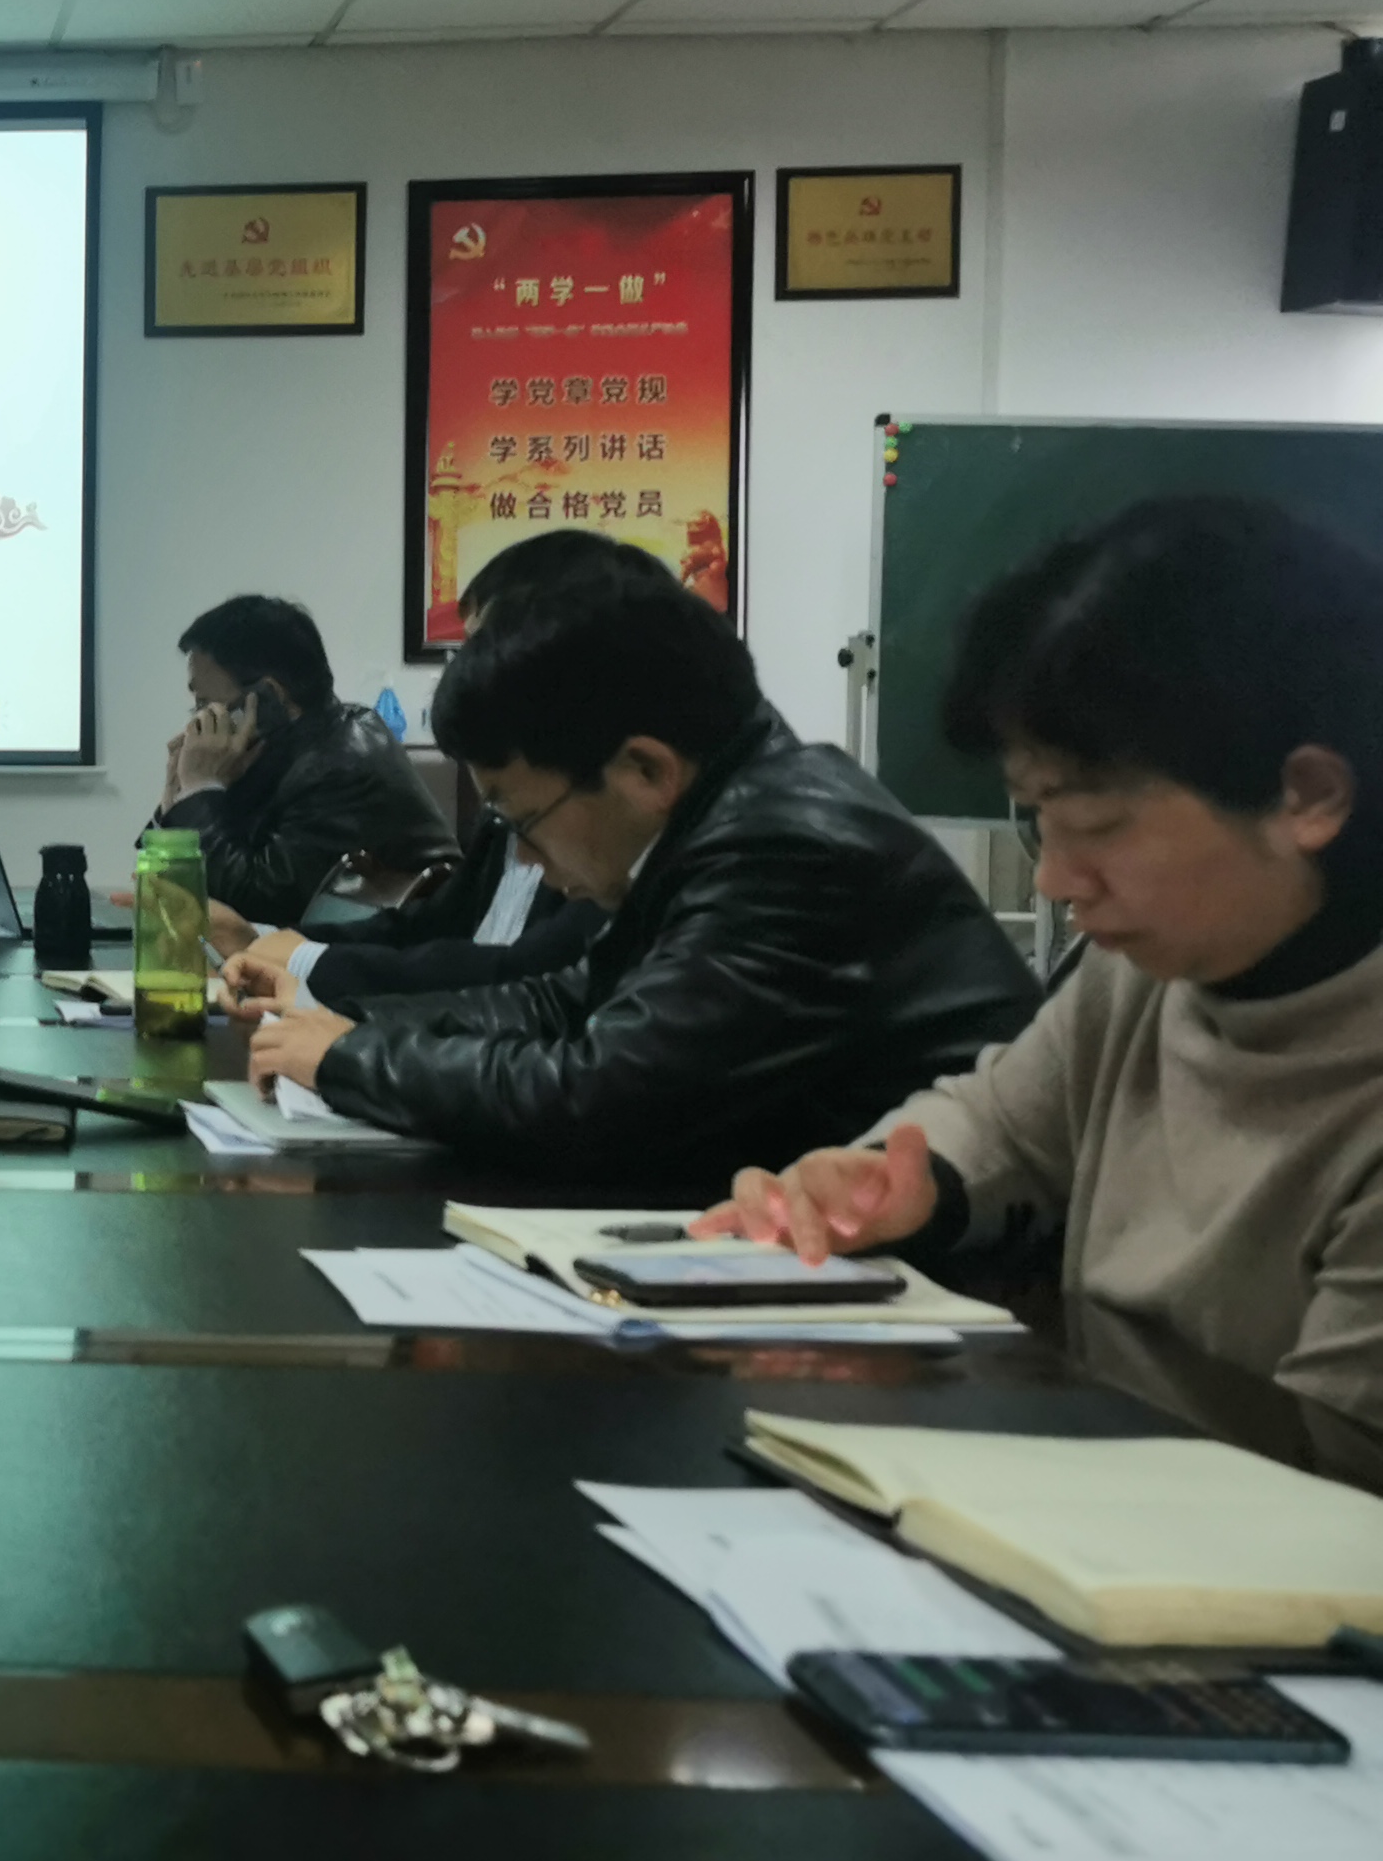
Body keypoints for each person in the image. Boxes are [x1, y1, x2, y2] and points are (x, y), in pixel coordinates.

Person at [702, 498, 1383, 1427]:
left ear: (1307, 796)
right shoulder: (1149, 972)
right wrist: (885, 1183)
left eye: (1098, 824)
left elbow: (1338, 1465)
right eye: (1039, 820)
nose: (1057, 880)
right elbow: (1002, 1121)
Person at [254, 566, 1038, 1191]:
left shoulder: (788, 848)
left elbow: (598, 1102)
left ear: (645, 771)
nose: (524, 860)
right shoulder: (726, 808)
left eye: (525, 820)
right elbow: (562, 1000)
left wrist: (346, 1059)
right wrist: (343, 1019)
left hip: (964, 1292)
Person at [219, 533, 662, 1015]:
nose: (465, 672)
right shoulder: (514, 797)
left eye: (481, 649)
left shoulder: (610, 813)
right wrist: (270, 941)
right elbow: (429, 927)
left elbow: (524, 979)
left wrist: (307, 966)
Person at [155, 595, 455, 928]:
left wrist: (199, 791)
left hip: (408, 953)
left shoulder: (341, 765)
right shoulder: (273, 753)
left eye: (206, 706)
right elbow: (164, 892)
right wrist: (177, 799)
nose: (197, 725)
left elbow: (256, 907)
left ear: (267, 696)